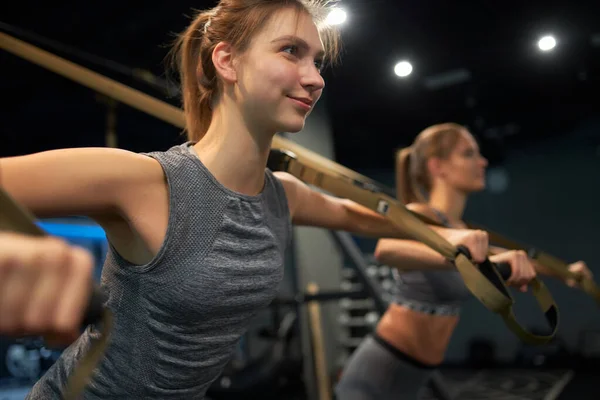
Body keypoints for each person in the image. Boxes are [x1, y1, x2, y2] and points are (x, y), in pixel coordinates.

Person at [0, 3, 493, 399]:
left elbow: (369, 220)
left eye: (315, 60)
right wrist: (11, 243)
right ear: (227, 60)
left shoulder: (284, 197)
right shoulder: (144, 180)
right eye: (290, 52)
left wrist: (450, 236)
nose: (315, 77)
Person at [335, 122, 593, 400]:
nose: (482, 161)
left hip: (417, 372)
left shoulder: (459, 230)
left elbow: (501, 256)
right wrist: (460, 258)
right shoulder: (422, 214)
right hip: (381, 369)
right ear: (438, 167)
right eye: (468, 154)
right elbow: (386, 249)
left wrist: (563, 272)